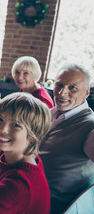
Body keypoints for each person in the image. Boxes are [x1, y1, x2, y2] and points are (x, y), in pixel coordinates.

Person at [39, 64, 94, 214]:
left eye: (73, 88)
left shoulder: (90, 127)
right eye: (59, 85)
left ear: (86, 92)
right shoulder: (52, 112)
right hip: (28, 188)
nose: (62, 93)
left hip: (49, 206)